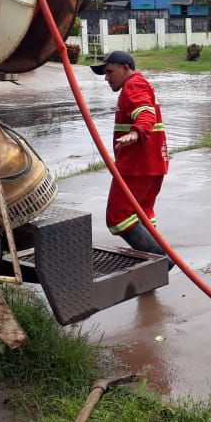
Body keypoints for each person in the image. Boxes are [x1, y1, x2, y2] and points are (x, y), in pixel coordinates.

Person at [91, 50, 174, 269]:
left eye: (110, 72)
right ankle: (150, 270)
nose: (107, 78)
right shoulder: (140, 83)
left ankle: (162, 262)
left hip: (137, 166)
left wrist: (136, 132)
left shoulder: (133, 86)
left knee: (117, 218)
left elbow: (146, 114)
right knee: (143, 215)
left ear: (125, 68)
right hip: (152, 164)